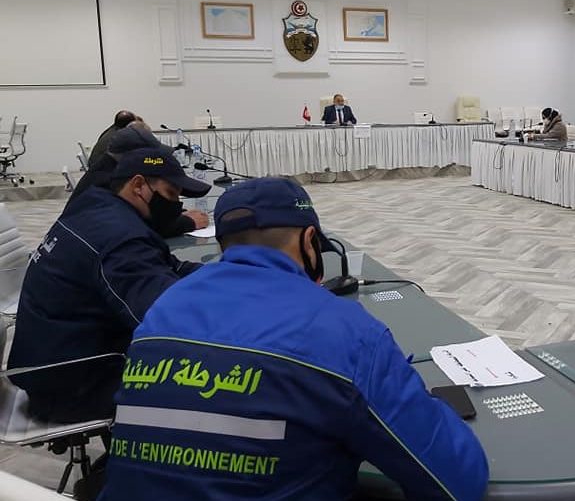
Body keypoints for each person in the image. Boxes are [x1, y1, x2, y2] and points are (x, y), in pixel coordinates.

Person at [99, 178, 489, 501]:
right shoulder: (346, 333)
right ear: (309, 241)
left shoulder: (164, 308)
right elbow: (456, 480)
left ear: (223, 244)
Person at [7, 148, 211, 423]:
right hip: (72, 387)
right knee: (218, 375)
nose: (176, 205)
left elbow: (166, 266)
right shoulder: (121, 240)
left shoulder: (95, 207)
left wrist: (227, 275)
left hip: (46, 363)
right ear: (138, 185)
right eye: (171, 194)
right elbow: (168, 321)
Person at [67, 121, 209, 236]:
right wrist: (186, 222)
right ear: (133, 158)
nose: (156, 161)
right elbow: (132, 229)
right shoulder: (105, 185)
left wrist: (171, 212)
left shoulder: (107, 169)